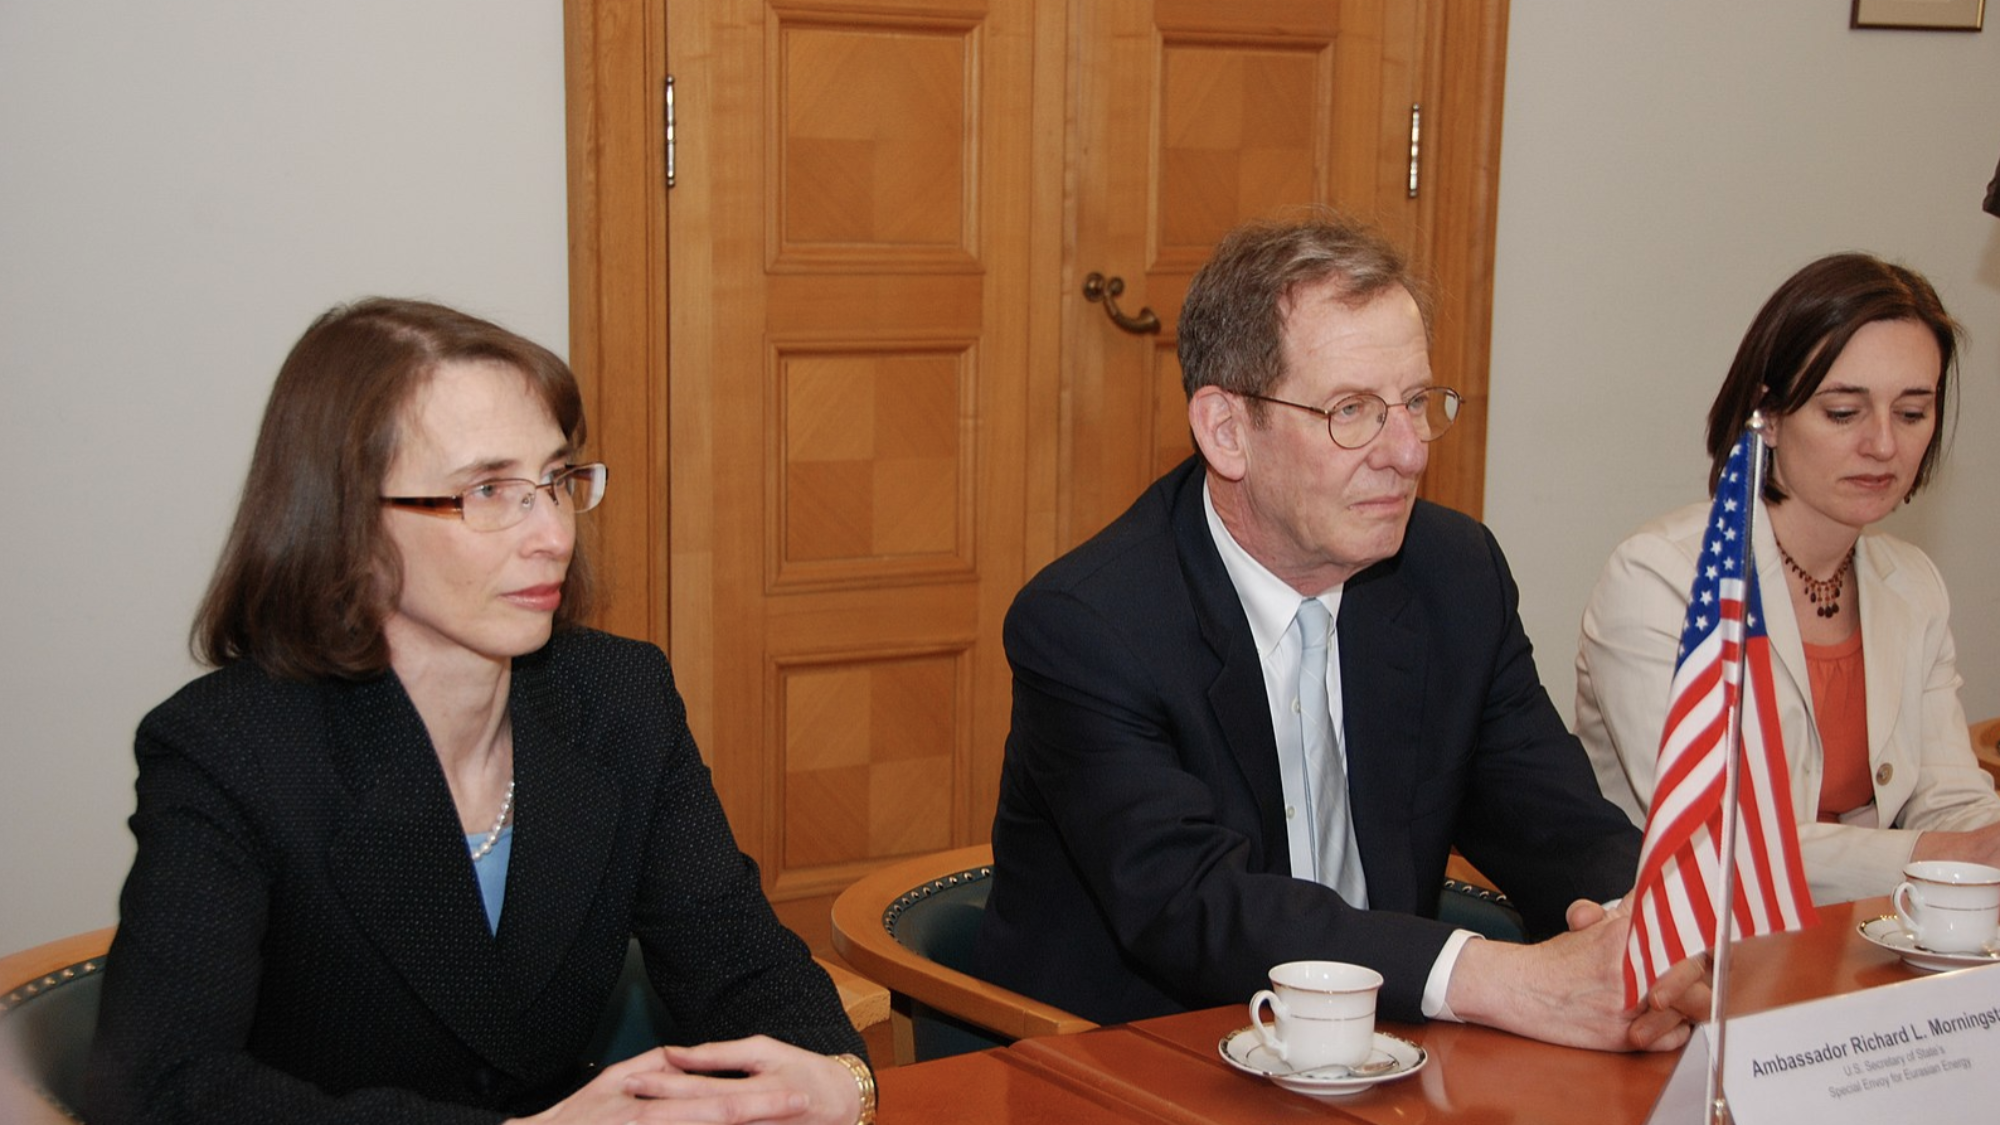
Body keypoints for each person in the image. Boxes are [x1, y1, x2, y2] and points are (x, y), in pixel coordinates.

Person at [86, 299, 873, 1125]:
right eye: (490, 490)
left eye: (558, 481)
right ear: (349, 523)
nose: (553, 535)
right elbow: (162, 1090)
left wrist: (839, 1078)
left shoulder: (618, 697)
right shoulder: (228, 749)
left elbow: (742, 967)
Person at [970, 212, 1705, 1053]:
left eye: (1418, 403)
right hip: (1144, 1059)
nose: (1409, 451)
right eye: (1352, 409)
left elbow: (1555, 823)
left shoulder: (1453, 575)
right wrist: (1501, 977)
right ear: (1226, 431)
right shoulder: (1092, 626)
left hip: (1386, 1058)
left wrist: (1649, 929)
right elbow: (1197, 909)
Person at [1576, 252, 2000, 905]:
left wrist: (1984, 841)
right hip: (1691, 964)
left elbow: (1948, 799)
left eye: (1912, 413)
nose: (1884, 444)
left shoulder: (1913, 582)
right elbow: (1722, 837)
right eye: (1843, 412)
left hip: (1863, 949)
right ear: (1766, 415)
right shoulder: (1663, 576)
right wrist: (1946, 855)